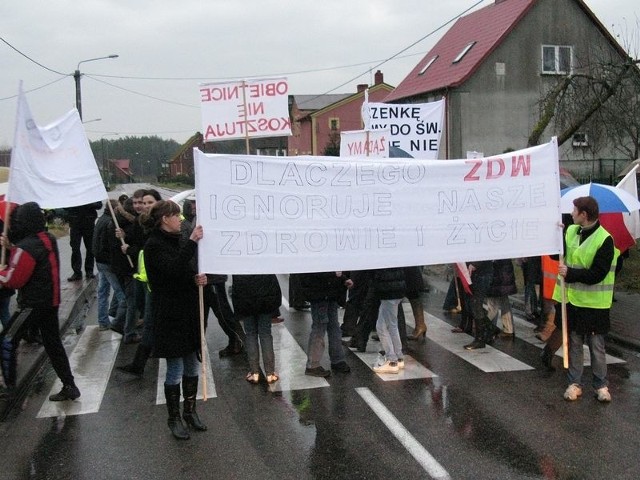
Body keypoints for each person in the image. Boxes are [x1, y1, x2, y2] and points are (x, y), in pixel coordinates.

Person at [0, 202, 80, 401]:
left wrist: (1, 271)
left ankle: (9, 387)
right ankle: (69, 385)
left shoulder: (25, 247)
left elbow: (14, 280)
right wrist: (11, 248)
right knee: (53, 344)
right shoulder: (48, 238)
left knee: (7, 341)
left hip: (32, 304)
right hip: (51, 301)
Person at [142, 200, 208, 439]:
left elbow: (185, 272)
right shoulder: (154, 245)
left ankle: (190, 411)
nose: (180, 220)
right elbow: (171, 271)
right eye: (175, 216)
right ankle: (174, 417)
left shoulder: (177, 240)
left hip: (188, 312)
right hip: (170, 315)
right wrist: (191, 242)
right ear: (164, 219)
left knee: (192, 365)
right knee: (175, 368)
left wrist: (196, 280)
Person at [553, 196, 618, 403]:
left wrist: (570, 273)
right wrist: (554, 236)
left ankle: (601, 385)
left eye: (574, 211)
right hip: (573, 302)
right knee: (574, 343)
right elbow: (558, 255)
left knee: (597, 347)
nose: (571, 214)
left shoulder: (605, 240)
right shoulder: (571, 231)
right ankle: (574, 383)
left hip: (595, 305)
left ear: (584, 215)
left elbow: (597, 274)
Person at [180, 197, 245, 358]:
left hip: (213, 277)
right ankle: (197, 346)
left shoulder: (207, 221)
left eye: (196, 203)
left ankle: (238, 340)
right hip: (198, 276)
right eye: (191, 204)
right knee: (200, 315)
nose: (194, 207)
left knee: (222, 313)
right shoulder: (185, 224)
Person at [300, 271, 353, 377]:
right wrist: (338, 276)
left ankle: (337, 360)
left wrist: (342, 278)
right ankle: (313, 365)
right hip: (320, 293)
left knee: (333, 327)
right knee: (320, 328)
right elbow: (312, 274)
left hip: (329, 293)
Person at [232, 274, 282, 384]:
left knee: (250, 334)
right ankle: (270, 373)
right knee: (265, 334)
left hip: (245, 298)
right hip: (265, 297)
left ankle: (254, 373)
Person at [92, 199, 126, 331]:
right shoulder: (110, 222)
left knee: (103, 292)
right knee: (121, 295)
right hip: (107, 262)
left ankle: (103, 321)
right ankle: (118, 323)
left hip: (99, 261)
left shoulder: (101, 220)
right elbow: (109, 245)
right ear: (115, 209)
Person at [371, 267, 406, 374]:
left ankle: (392, 360)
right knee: (392, 325)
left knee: (381, 327)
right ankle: (398, 356)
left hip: (388, 290)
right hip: (397, 289)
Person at [463, 260, 495, 350]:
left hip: (482, 272)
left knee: (476, 304)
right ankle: (490, 328)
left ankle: (480, 339)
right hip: (474, 272)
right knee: (471, 304)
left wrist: (475, 263)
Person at [66, 201, 101, 281]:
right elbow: (65, 205)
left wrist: (87, 203)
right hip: (75, 223)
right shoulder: (71, 192)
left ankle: (89, 270)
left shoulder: (89, 191)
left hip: (89, 223)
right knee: (75, 248)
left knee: (90, 248)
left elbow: (99, 205)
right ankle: (77, 272)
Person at [485, 259, 517, 339]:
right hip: (504, 272)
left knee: (492, 303)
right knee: (504, 300)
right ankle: (508, 329)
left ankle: (488, 327)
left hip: (496, 273)